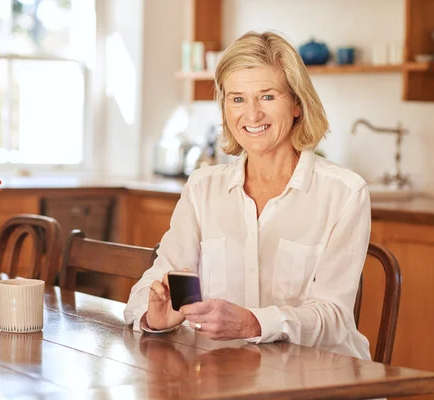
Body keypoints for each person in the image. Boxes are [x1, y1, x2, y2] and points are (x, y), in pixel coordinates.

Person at [124, 31, 371, 360]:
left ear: (297, 103)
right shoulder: (202, 189)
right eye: (237, 98)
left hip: (322, 380)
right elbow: (153, 284)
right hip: (229, 376)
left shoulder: (344, 193)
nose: (252, 115)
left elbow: (335, 317)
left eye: (267, 97)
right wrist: (155, 317)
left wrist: (254, 323)